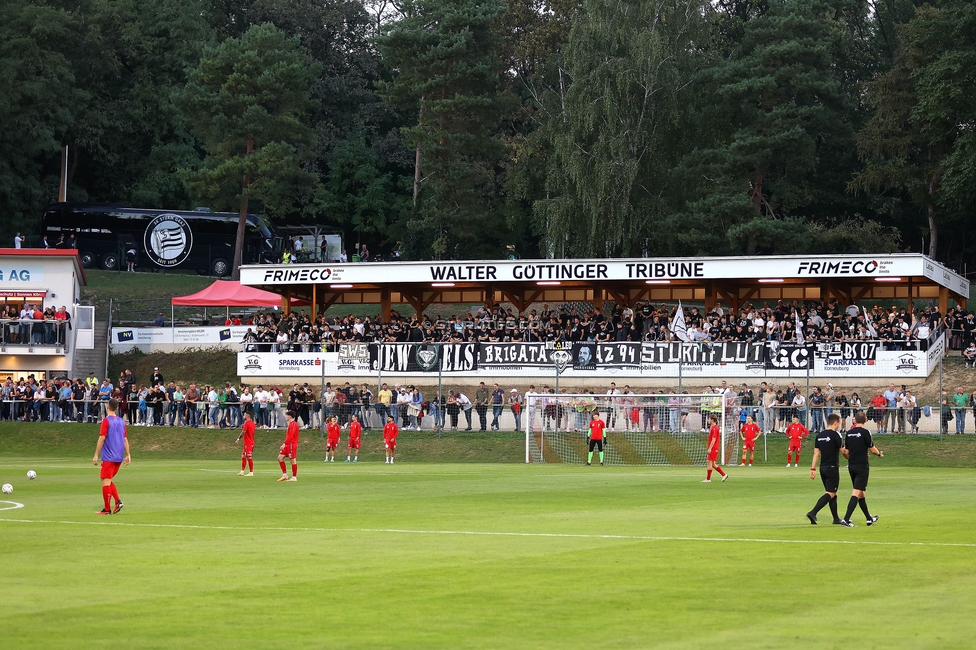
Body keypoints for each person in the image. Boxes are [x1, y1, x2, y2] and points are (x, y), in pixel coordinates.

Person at [839, 412, 885, 527]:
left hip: (852, 466)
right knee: (856, 492)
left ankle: (869, 519)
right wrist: (879, 454)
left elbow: (846, 452)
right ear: (865, 420)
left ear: (855, 420)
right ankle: (846, 519)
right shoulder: (866, 432)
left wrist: (851, 457)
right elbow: (872, 449)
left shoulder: (849, 433)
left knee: (861, 493)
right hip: (862, 466)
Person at [91, 397, 131, 515]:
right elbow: (125, 439)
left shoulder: (106, 421)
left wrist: (96, 455)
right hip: (119, 456)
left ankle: (107, 509)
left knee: (106, 481)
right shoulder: (121, 421)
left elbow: (102, 437)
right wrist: (128, 454)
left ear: (107, 407)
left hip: (109, 456)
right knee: (106, 479)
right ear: (117, 408)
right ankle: (117, 501)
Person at [806, 413, 844, 525]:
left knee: (833, 492)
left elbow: (816, 454)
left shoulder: (820, 435)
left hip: (823, 468)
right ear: (835, 422)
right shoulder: (836, 435)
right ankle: (813, 512)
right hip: (832, 467)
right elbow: (843, 451)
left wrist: (813, 469)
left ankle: (836, 519)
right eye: (839, 423)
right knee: (830, 493)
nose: (839, 426)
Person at [702, 415, 728, 483]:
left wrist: (710, 448)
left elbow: (714, 439)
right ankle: (724, 475)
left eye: (709, 419)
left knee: (709, 462)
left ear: (712, 420)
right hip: (714, 447)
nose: (708, 421)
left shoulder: (714, 428)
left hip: (713, 448)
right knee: (713, 464)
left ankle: (708, 479)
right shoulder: (713, 428)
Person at [277, 410, 300, 482]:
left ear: (289, 416)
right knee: (280, 458)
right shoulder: (290, 424)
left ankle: (294, 477)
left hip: (291, 444)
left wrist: (284, 444)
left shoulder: (293, 424)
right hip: (288, 444)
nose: (285, 417)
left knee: (292, 460)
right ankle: (285, 475)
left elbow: (291, 435)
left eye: (286, 415)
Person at [236, 411, 255, 476]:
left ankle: (251, 472)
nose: (243, 416)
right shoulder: (252, 423)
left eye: (244, 415)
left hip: (248, 443)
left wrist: (238, 438)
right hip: (249, 442)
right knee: (243, 455)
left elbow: (243, 432)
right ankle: (242, 471)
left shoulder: (247, 423)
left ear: (247, 416)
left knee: (249, 457)